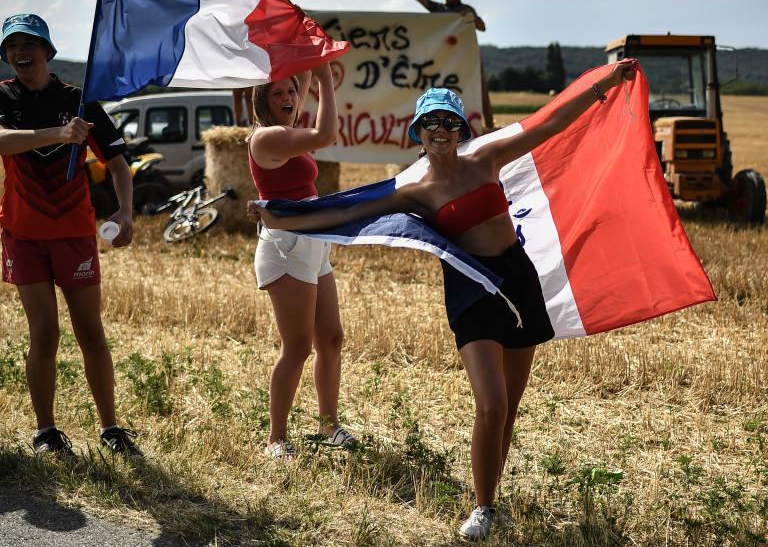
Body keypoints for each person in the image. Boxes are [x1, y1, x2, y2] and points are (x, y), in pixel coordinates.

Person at [250, 59, 638, 537]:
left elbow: (551, 120)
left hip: (517, 285)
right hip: (470, 292)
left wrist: (606, 79)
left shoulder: (486, 158)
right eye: (430, 122)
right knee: (491, 404)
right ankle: (482, 509)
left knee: (509, 410)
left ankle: (491, 500)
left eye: (448, 122)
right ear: (418, 131)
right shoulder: (415, 188)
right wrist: (280, 216)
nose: (440, 129)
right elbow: (351, 210)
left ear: (460, 129)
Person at [0, 13, 141, 457]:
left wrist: (125, 210)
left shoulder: (81, 100)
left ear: (48, 51)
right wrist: (59, 133)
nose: (20, 52)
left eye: (30, 43)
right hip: (23, 233)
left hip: (74, 233)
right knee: (44, 334)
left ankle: (111, 429)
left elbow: (119, 164)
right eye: (12, 45)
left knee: (90, 331)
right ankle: (46, 432)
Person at [248, 63, 357, 459]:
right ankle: (275, 439)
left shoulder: (287, 131)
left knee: (331, 339)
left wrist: (308, 61)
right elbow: (327, 134)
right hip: (287, 249)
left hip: (313, 243)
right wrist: (328, 76)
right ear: (263, 100)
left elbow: (302, 83)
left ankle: (328, 427)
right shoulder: (267, 138)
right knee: (296, 347)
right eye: (278, 93)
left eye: (291, 92)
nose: (289, 98)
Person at [395, 0, 494, 130]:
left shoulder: (467, 9)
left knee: (479, 88)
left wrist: (472, 18)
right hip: (442, 59)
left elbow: (482, 27)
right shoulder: (438, 8)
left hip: (465, 57)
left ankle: (488, 125)